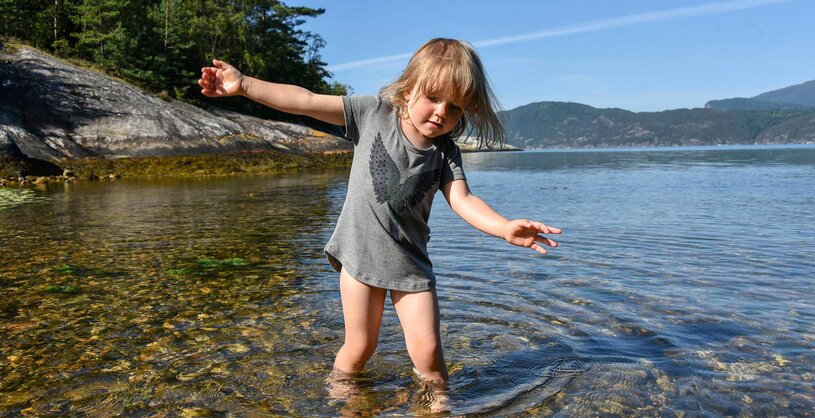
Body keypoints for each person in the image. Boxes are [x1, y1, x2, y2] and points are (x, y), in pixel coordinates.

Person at [198, 38, 561, 387]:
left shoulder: (445, 153)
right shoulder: (372, 114)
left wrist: (503, 228)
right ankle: (342, 399)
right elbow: (305, 100)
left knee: (430, 355)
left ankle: (437, 408)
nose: (441, 112)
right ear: (408, 90)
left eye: (454, 107)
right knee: (360, 348)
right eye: (434, 98)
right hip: (360, 257)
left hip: (410, 264)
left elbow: (463, 200)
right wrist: (244, 85)